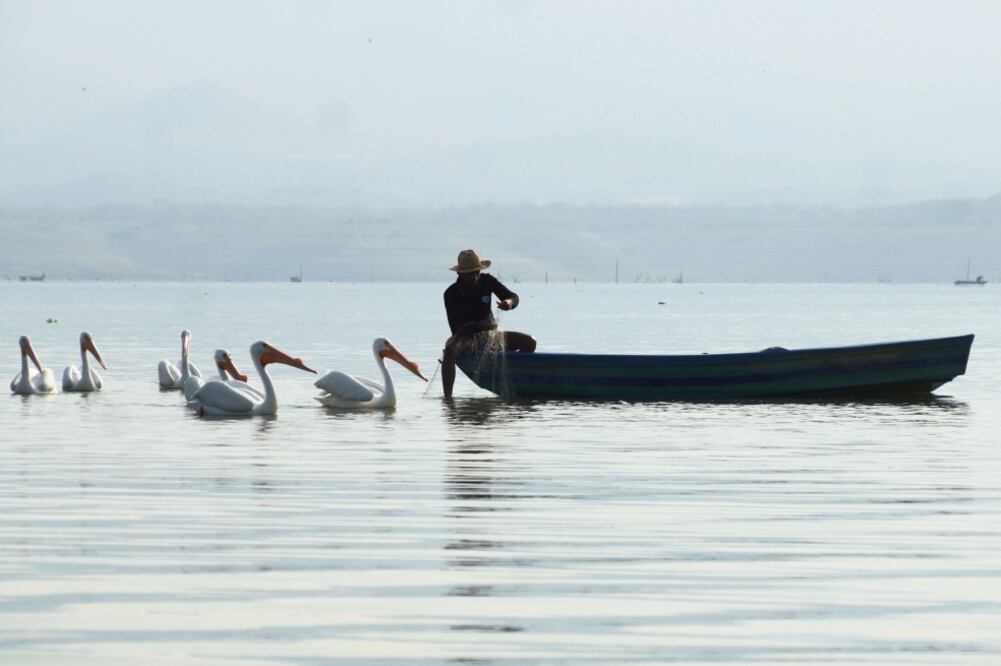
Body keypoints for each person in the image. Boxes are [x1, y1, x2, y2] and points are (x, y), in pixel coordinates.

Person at [441, 249, 536, 398]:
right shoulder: (451, 294)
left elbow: (513, 296)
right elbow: (457, 328)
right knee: (449, 349)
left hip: (491, 336)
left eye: (477, 271)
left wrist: (508, 303)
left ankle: (514, 381)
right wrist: (481, 326)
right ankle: (448, 399)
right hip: (467, 338)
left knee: (530, 342)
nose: (475, 276)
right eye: (470, 273)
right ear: (460, 274)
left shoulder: (486, 281)